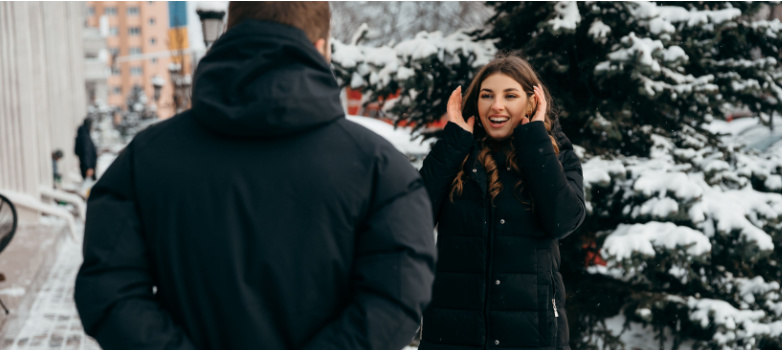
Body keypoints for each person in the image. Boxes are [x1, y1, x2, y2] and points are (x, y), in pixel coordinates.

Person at [74, 2, 436, 349]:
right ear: (321, 49)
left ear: (230, 33)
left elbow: (110, 291)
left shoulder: (145, 158)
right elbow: (397, 296)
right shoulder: (381, 170)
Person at [418, 56, 586, 350]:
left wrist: (533, 141)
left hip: (532, 337)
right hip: (452, 334)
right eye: (487, 95)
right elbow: (413, 220)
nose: (496, 106)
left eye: (510, 96)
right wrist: (454, 142)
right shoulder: (456, 150)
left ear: (532, 102)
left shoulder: (555, 152)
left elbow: (563, 222)